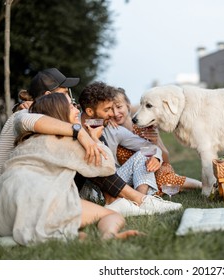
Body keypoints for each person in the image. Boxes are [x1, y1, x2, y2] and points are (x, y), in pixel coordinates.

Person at [0, 68, 182, 217]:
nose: (72, 100)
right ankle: (136, 200)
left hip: (45, 185)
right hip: (26, 190)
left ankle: (137, 199)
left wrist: (155, 154)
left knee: (90, 150)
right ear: (50, 95)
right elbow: (24, 121)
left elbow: (139, 148)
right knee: (85, 149)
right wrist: (81, 133)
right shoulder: (27, 114)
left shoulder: (94, 124)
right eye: (66, 93)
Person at [0, 93, 141, 245]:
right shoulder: (70, 141)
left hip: (1, 213)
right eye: (71, 106)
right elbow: (107, 167)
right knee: (112, 216)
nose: (76, 108)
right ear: (59, 112)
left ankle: (70, 234)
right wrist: (94, 139)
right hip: (39, 202)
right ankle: (108, 237)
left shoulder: (25, 140)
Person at [78, 82, 182, 213]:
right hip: (90, 188)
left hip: (114, 179)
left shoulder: (112, 128)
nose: (112, 114)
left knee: (145, 155)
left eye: (113, 108)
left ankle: (140, 202)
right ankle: (142, 202)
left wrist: (155, 157)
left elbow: (148, 146)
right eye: (107, 110)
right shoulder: (72, 126)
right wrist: (92, 138)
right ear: (89, 111)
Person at [112, 88, 202, 194]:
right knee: (161, 182)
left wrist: (156, 142)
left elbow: (166, 160)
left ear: (128, 105)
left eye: (119, 107)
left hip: (158, 171)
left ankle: (201, 185)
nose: (115, 113)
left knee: (164, 179)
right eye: (110, 109)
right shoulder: (112, 131)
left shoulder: (146, 125)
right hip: (133, 178)